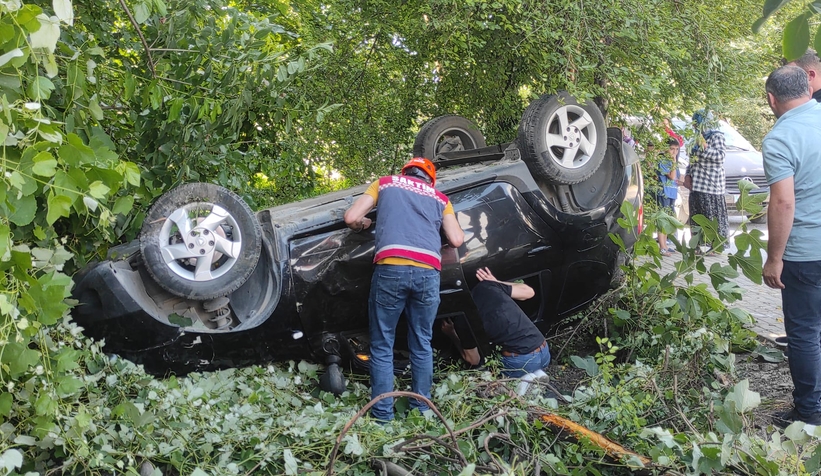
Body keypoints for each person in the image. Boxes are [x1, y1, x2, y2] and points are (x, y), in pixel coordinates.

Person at [344, 157, 465, 422]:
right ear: (429, 179)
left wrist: (362, 225)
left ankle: (383, 417)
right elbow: (456, 239)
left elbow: (351, 217)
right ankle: (422, 411)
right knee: (422, 343)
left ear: (406, 172)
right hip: (427, 273)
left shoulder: (384, 184)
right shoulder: (440, 199)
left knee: (382, 344)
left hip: (391, 268)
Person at [760, 65, 821, 426]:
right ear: (809, 87)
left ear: (771, 99)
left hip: (805, 253)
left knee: (805, 333)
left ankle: (810, 413)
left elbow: (783, 203)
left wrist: (774, 258)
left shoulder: (780, 138)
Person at [441, 267, 550, 378]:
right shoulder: (488, 286)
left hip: (522, 362)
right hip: (544, 351)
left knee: (491, 375)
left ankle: (525, 381)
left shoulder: (463, 321)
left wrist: (452, 334)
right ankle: (536, 374)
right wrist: (496, 281)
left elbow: (473, 360)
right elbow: (529, 292)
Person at [683, 110, 728, 255]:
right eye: (694, 123)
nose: (696, 126)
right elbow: (692, 159)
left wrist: (705, 147)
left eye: (698, 122)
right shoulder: (695, 137)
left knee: (711, 217)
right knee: (697, 216)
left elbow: (720, 157)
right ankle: (697, 245)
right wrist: (688, 175)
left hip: (711, 185)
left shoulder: (717, 136)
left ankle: (716, 246)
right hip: (697, 184)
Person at [656, 139, 681, 256]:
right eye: (672, 149)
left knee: (668, 219)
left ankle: (665, 244)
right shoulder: (663, 161)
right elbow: (671, 176)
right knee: (663, 219)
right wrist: (674, 162)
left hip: (672, 193)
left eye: (676, 149)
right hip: (664, 193)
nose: (674, 152)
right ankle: (662, 247)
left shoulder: (673, 163)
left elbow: (677, 178)